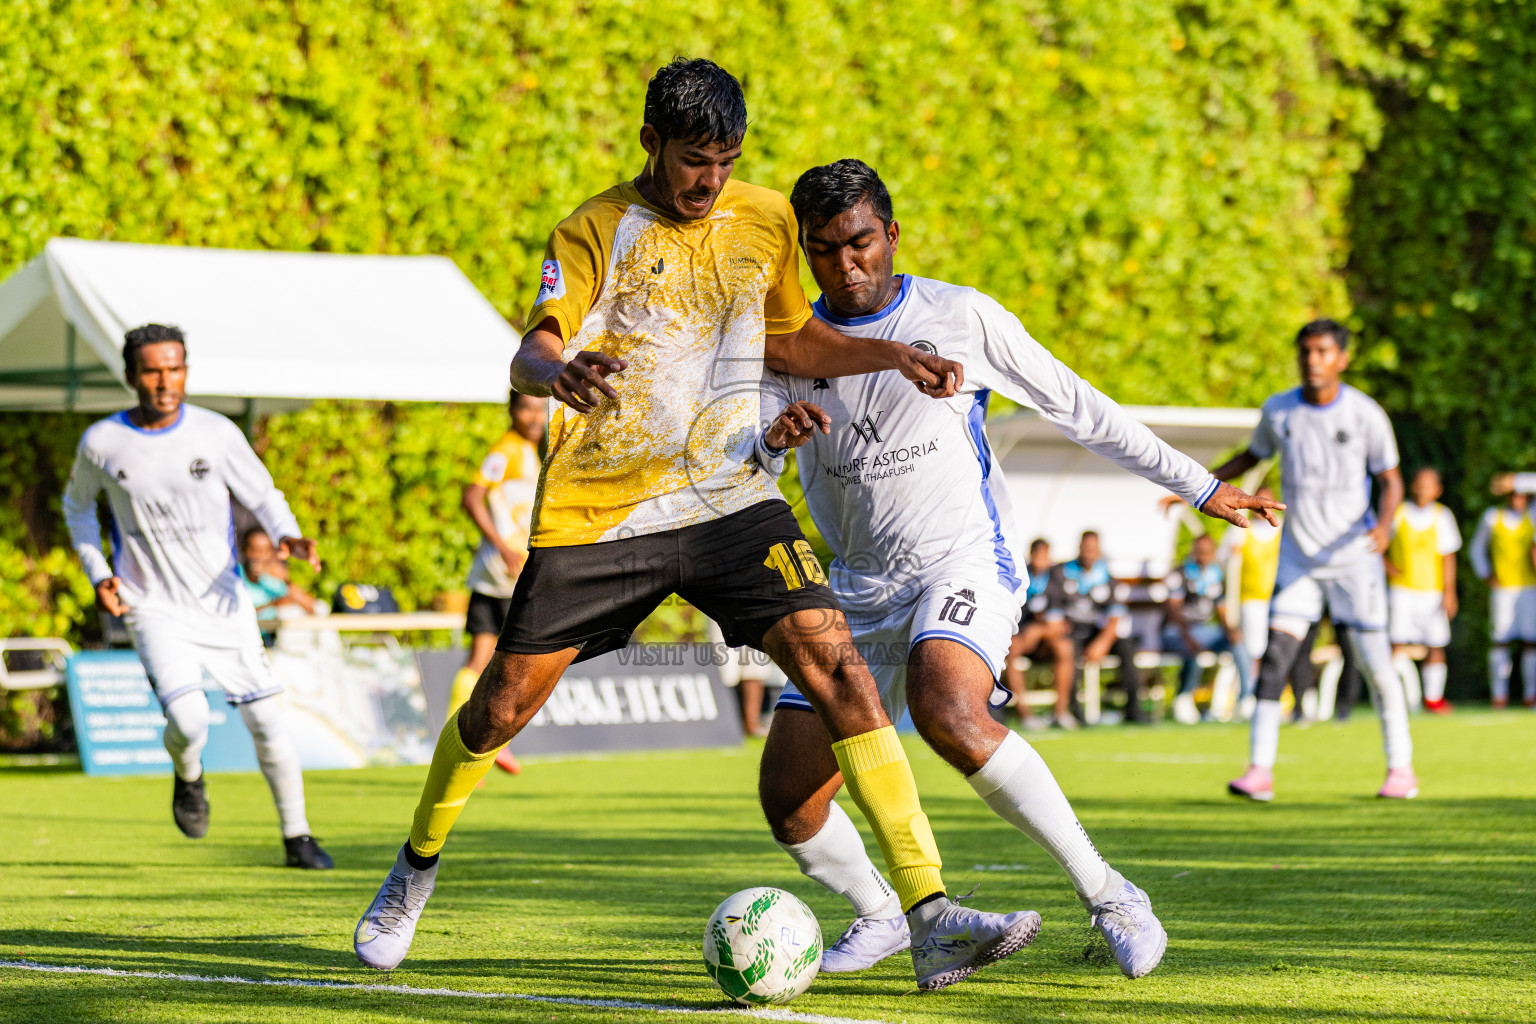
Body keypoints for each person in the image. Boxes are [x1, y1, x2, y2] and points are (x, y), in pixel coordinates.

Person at [352, 60, 1040, 992]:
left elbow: (792, 340)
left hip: (729, 498)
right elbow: (532, 346)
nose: (708, 180)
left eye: (725, 160)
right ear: (650, 145)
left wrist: (893, 353)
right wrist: (554, 372)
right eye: (692, 161)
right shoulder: (591, 230)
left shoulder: (760, 218)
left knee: (836, 663)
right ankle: (414, 869)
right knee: (502, 706)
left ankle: (929, 912)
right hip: (606, 509)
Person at [753, 159, 1278, 980]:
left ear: (891, 234)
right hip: (855, 587)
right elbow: (745, 457)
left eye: (859, 243)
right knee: (789, 800)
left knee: (947, 708)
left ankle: (1112, 896)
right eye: (822, 251)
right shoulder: (787, 344)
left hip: (961, 563)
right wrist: (769, 440)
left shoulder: (958, 316)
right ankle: (886, 916)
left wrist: (1201, 486)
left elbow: (1079, 405)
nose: (845, 266)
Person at [61, 323, 333, 869]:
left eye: (175, 368)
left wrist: (286, 532)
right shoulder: (102, 442)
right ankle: (189, 777)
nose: (166, 381)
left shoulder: (215, 432)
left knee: (266, 720)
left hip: (223, 604)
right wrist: (98, 573)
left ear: (186, 370)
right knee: (188, 723)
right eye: (154, 370)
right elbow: (77, 508)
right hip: (151, 605)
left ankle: (298, 837)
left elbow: (263, 492)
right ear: (131, 375)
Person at [1208, 319, 1416, 801]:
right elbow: (1251, 456)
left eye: (1323, 351)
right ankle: (1259, 771)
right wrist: (1198, 486)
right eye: (1306, 351)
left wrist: (1384, 526)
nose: (1313, 360)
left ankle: (1401, 769)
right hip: (1298, 561)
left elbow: (1392, 480)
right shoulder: (1279, 410)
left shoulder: (1366, 414)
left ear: (1342, 358)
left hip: (1353, 560)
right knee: (1276, 656)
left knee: (1376, 666)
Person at [454, 389, 549, 774]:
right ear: (512, 410)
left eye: (541, 409)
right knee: (514, 662)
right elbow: (472, 497)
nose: (534, 416)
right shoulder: (506, 451)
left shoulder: (529, 451)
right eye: (526, 408)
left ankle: (460, 742)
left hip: (495, 574)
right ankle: (491, 742)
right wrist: (504, 547)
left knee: (480, 658)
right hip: (506, 572)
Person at [1047, 531, 1146, 726]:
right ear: (1079, 548)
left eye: (1093, 548)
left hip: (1097, 632)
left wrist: (1102, 643)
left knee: (1127, 648)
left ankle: (1133, 711)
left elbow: (1116, 614)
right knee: (1068, 651)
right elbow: (1053, 612)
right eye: (1086, 547)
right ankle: (1076, 713)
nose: (1089, 552)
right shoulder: (1061, 572)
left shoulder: (1106, 574)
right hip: (1070, 631)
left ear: (1099, 550)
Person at [1385, 466, 1461, 714]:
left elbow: (1448, 557)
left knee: (1436, 645)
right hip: (1401, 591)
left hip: (1432, 592)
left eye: (1429, 484)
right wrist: (1385, 565)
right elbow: (1377, 541)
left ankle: (1433, 698)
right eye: (1419, 483)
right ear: (1412, 485)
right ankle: (1393, 696)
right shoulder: (1398, 512)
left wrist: (1449, 592)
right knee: (1395, 643)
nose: (1423, 488)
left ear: (1438, 490)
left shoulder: (1443, 516)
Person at [1162, 534, 1252, 724]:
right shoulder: (1180, 573)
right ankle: (1184, 696)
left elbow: (1220, 610)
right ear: (1193, 551)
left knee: (1238, 642)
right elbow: (1172, 610)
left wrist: (1231, 630)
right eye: (1200, 551)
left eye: (1208, 551)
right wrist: (1187, 636)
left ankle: (1246, 699)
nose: (1204, 555)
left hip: (1203, 631)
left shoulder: (1215, 573)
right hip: (1177, 631)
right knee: (1191, 648)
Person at [1470, 476, 1536, 708]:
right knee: (1500, 641)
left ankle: (1531, 694)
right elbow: (1476, 549)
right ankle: (1499, 695)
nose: (1517, 499)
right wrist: (1486, 574)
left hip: (1530, 588)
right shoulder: (1492, 517)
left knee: (1531, 642)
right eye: (1513, 494)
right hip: (1503, 590)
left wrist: (1516, 480)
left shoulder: (1533, 516)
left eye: (1521, 494)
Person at [1003, 538, 1068, 726]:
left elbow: (1058, 626)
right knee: (1012, 649)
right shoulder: (1020, 577)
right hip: (1022, 638)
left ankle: (1061, 713)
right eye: (1037, 555)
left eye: (1044, 556)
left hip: (1045, 640)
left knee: (1065, 648)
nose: (1041, 560)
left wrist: (1038, 631)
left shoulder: (1056, 579)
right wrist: (1032, 631)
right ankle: (1026, 715)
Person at [239, 527, 318, 645]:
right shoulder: (235, 576)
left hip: (273, 638)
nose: (259, 557)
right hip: (244, 639)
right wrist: (272, 605)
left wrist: (286, 581)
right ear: (243, 550)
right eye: (254, 550)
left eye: (265, 551)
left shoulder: (269, 578)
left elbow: (311, 607)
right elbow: (236, 616)